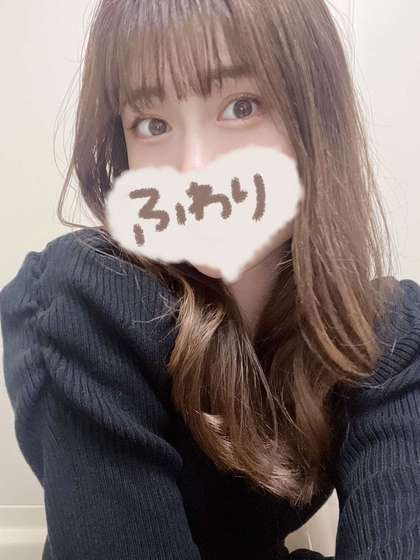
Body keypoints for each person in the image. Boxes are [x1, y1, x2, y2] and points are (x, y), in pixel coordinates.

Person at [1, 1, 419, 558]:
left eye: (241, 106)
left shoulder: (385, 332)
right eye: (152, 124)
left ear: (317, 117)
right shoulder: (90, 297)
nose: (194, 171)